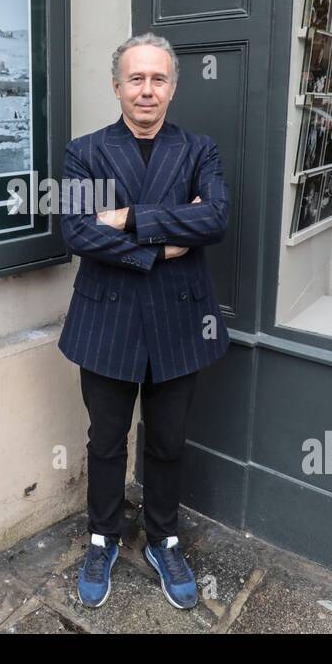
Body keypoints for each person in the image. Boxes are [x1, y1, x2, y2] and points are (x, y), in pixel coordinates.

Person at [58, 32, 230, 610]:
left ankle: (163, 538)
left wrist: (130, 216)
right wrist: (160, 245)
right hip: (105, 322)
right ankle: (103, 538)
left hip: (180, 324)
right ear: (117, 86)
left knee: (167, 442)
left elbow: (216, 221)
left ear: (173, 88)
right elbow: (77, 231)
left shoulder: (199, 150)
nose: (147, 90)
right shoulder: (85, 151)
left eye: (158, 79)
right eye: (136, 79)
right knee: (105, 442)